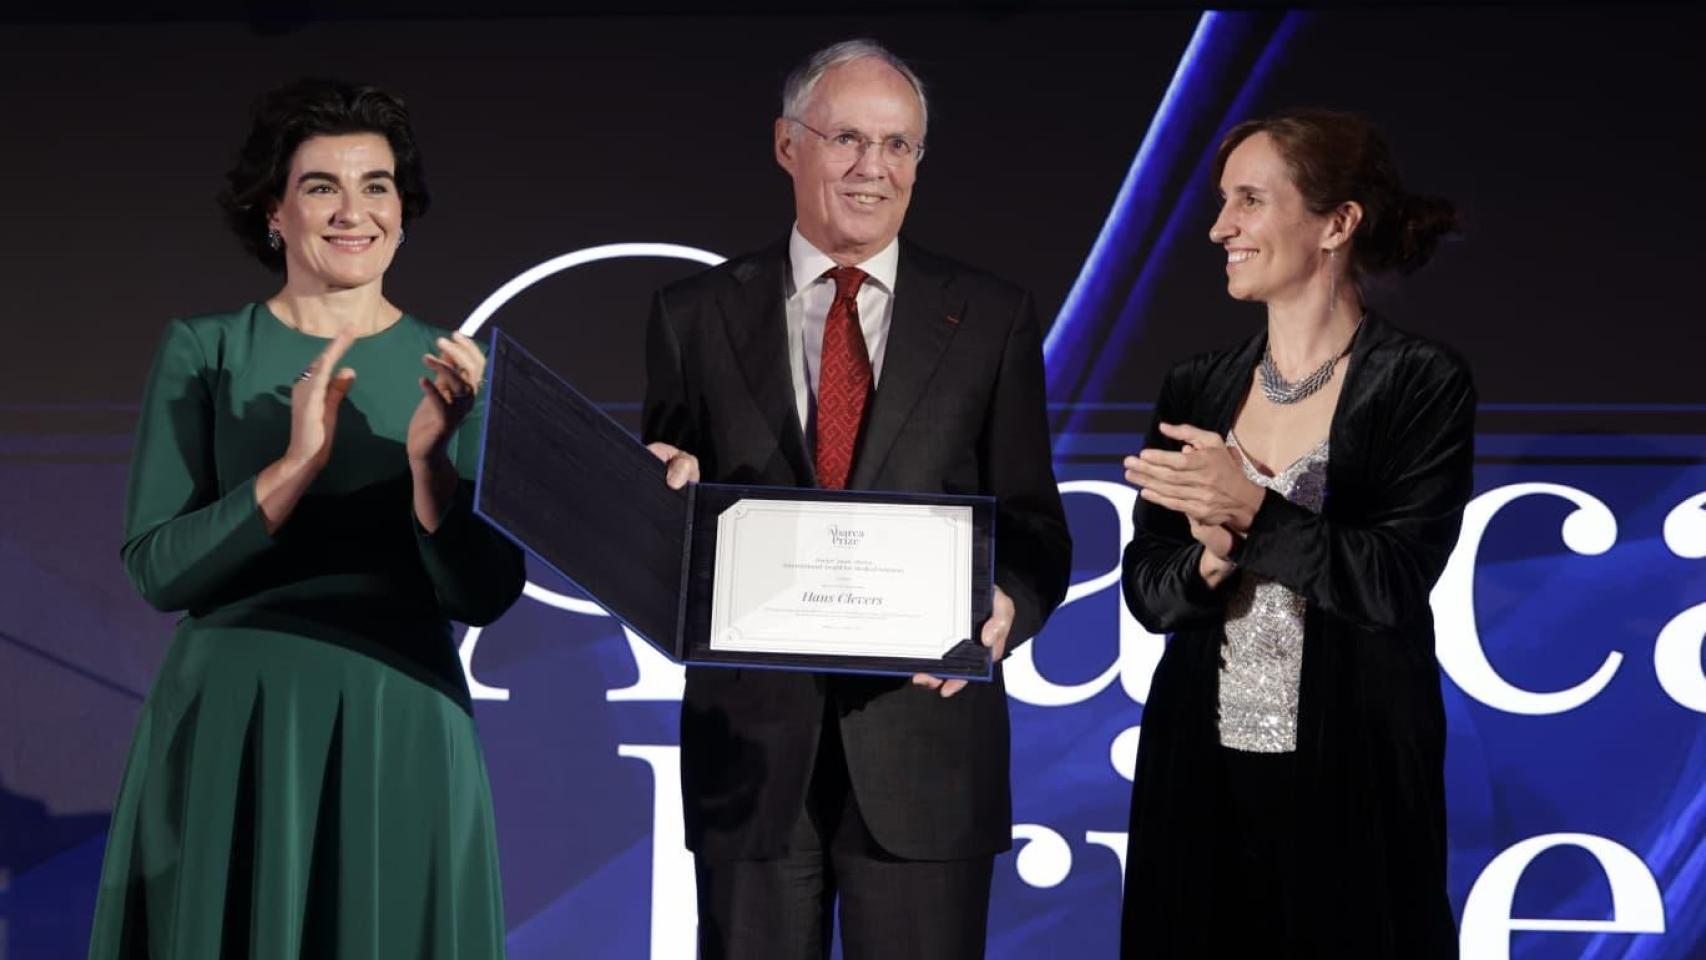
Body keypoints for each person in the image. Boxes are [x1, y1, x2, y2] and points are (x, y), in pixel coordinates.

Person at [642, 39, 1072, 959]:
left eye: (898, 144)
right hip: (751, 754)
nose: (873, 167)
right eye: (846, 138)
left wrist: (1006, 605)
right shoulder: (692, 315)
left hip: (926, 750)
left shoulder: (991, 317)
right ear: (786, 144)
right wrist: (656, 496)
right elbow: (671, 521)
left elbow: (1035, 525)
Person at [87, 79, 524, 958]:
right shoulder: (206, 349)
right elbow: (158, 569)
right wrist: (292, 470)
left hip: (399, 716)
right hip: (235, 723)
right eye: (322, 186)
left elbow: (482, 594)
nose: (353, 211)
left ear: (402, 211)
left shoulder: (458, 369)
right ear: (273, 212)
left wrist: (429, 463)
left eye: (376, 186)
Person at [1118, 108, 1472, 958]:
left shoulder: (1420, 382)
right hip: (1198, 776)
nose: (1220, 228)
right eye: (1222, 202)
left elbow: (1390, 580)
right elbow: (1149, 587)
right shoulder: (1196, 386)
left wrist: (1250, 510)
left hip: (1355, 780)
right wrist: (1210, 557)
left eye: (1249, 200)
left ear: (1337, 223)